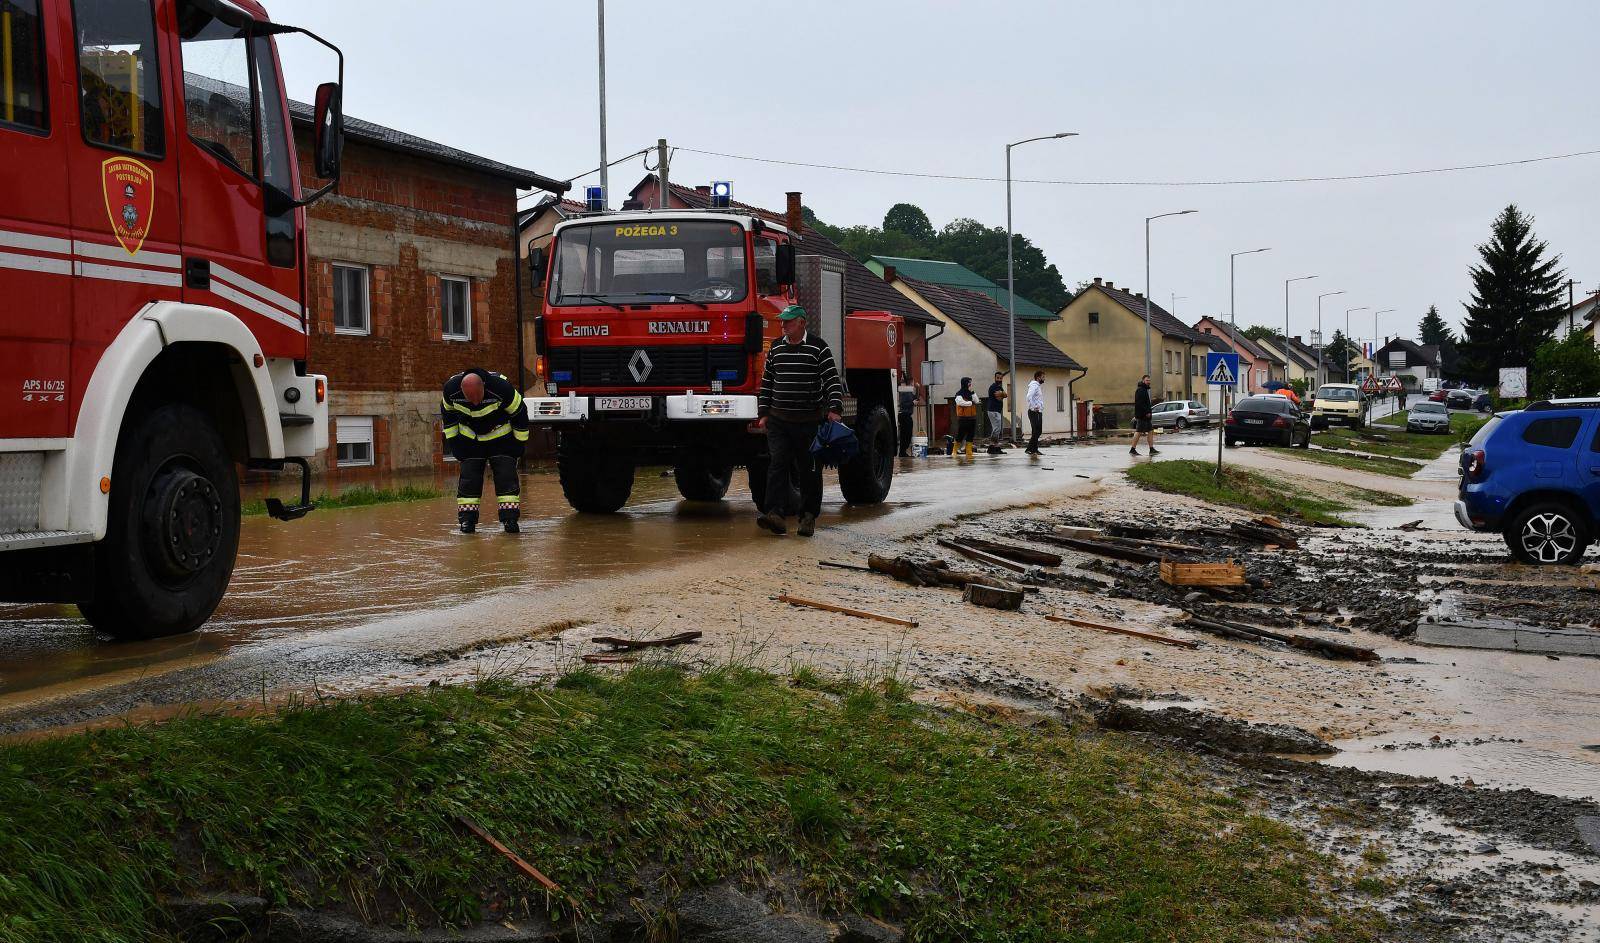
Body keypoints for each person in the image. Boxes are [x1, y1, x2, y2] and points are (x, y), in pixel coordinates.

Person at [755, 304, 843, 538]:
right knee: (777, 465)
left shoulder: (818, 348)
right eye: (782, 321)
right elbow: (767, 383)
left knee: (809, 470)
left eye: (788, 321)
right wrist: (763, 413)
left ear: (802, 322)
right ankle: (774, 514)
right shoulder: (775, 348)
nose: (783, 325)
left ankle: (808, 517)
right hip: (779, 420)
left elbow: (832, 380)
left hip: (809, 421)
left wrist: (834, 409)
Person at [441, 368, 529, 533]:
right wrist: (454, 444)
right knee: (469, 481)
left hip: (501, 439)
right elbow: (448, 417)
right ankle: (467, 522)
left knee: (506, 479)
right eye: (469, 399)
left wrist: (519, 445)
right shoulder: (450, 390)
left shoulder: (502, 388)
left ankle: (510, 520)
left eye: (478, 398)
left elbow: (520, 414)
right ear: (461, 390)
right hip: (471, 440)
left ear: (484, 387)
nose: (474, 403)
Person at [1131, 374, 1158, 457]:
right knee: (1138, 432)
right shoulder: (1140, 390)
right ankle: (1132, 449)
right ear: (1143, 381)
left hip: (1146, 416)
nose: (1148, 382)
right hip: (1142, 415)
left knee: (1150, 431)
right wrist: (1146, 412)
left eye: (1149, 380)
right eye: (1147, 380)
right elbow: (1139, 404)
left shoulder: (1145, 390)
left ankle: (1151, 449)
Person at [953, 378, 978, 459]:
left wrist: (973, 392)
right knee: (960, 435)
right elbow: (960, 402)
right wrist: (970, 403)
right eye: (969, 383)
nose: (970, 385)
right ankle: (954, 450)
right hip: (963, 418)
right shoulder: (959, 394)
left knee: (970, 435)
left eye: (971, 383)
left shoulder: (971, 393)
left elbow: (977, 401)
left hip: (972, 418)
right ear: (965, 383)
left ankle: (969, 452)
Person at [1025, 370, 1046, 455]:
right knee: (1037, 431)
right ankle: (1029, 449)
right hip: (1034, 412)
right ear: (1038, 377)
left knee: (1037, 431)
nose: (1044, 379)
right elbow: (1029, 396)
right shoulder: (1034, 385)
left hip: (1038, 411)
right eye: (1043, 377)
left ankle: (1034, 449)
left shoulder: (1037, 386)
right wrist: (1034, 407)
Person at [897, 371, 917, 457]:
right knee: (905, 435)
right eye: (912, 383)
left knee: (907, 434)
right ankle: (902, 451)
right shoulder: (904, 391)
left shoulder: (908, 391)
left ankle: (903, 451)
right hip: (904, 415)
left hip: (906, 415)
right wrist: (912, 403)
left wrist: (917, 389)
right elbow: (903, 404)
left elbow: (915, 398)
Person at [985, 371, 1008, 448]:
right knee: (997, 427)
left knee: (997, 427)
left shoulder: (999, 387)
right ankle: (993, 442)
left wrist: (1002, 394)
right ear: (995, 378)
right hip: (993, 410)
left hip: (997, 410)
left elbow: (1005, 395)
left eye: (1000, 378)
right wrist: (1002, 394)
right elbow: (998, 397)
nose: (999, 379)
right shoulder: (993, 387)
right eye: (997, 378)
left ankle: (994, 442)